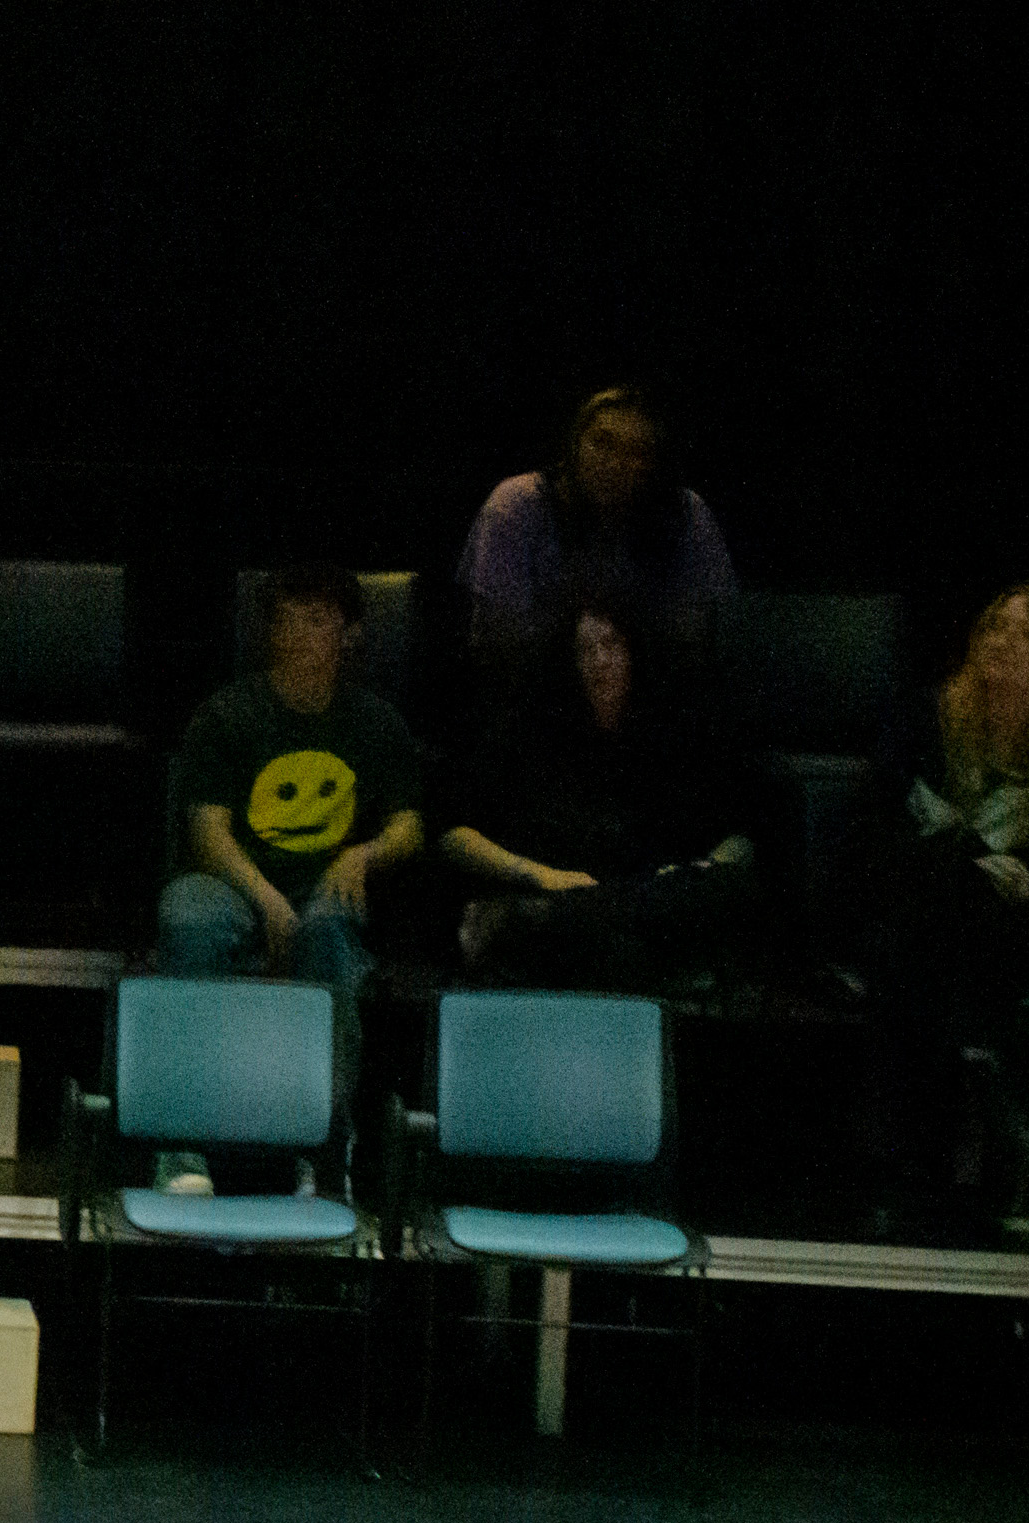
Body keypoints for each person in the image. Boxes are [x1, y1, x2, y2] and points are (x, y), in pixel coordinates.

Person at [845, 582, 1029, 1222]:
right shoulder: (929, 722)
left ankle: (911, 1152)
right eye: (996, 625)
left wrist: (1027, 877)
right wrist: (959, 859)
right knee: (941, 902)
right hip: (909, 910)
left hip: (997, 939)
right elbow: (867, 839)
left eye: (1025, 636)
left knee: (973, 922)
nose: (1001, 641)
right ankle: (988, 1107)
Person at [155, 567, 425, 1187]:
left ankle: (321, 1148)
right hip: (236, 882)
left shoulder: (376, 722)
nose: (306, 634)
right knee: (188, 916)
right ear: (271, 633)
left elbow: (409, 827)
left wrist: (363, 855)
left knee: (328, 929)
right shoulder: (226, 715)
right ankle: (180, 1144)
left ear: (350, 634)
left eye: (321, 620)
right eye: (293, 620)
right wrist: (265, 897)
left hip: (326, 884)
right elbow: (207, 831)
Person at [435, 594, 760, 986]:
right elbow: (452, 835)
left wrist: (700, 871)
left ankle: (540, 916)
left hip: (646, 907)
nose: (600, 661)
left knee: (723, 889)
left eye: (611, 645)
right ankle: (563, 917)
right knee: (622, 955)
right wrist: (541, 876)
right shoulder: (531, 733)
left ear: (635, 653)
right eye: (586, 650)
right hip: (564, 904)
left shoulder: (676, 734)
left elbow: (739, 840)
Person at [455, 385, 738, 671]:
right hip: (535, 685)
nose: (614, 463)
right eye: (602, 442)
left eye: (636, 451)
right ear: (575, 444)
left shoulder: (685, 514)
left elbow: (702, 639)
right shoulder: (519, 505)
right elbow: (500, 645)